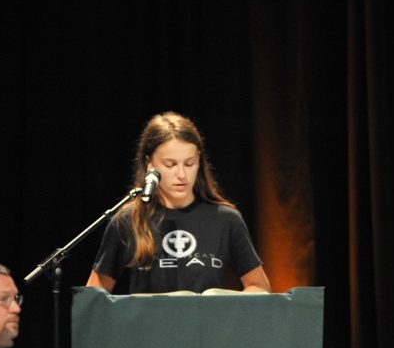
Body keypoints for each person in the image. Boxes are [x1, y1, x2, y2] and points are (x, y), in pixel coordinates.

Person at [86, 111, 271, 295]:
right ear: (150, 164)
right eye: (170, 164)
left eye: (189, 164)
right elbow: (95, 296)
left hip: (207, 324)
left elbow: (260, 287)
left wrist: (227, 305)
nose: (182, 175)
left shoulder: (226, 220)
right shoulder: (128, 220)